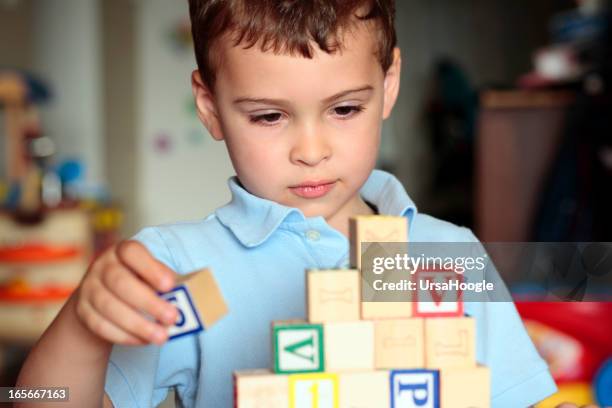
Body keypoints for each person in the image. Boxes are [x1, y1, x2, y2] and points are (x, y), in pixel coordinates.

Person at [17, 1, 558, 406]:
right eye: (269, 117)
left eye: (344, 109)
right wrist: (83, 326)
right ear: (209, 107)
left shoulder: (450, 254)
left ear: (388, 84)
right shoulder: (174, 268)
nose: (311, 151)